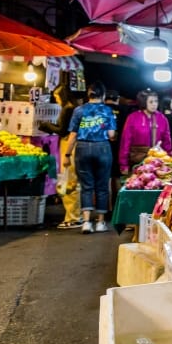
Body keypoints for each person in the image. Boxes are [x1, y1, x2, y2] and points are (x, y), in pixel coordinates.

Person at [63, 81, 116, 234]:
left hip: (83, 148)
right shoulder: (107, 111)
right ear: (103, 95)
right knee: (102, 187)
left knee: (86, 186)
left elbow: (73, 135)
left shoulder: (79, 111)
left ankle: (86, 222)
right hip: (102, 148)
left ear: (89, 94)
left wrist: (67, 155)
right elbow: (112, 135)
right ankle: (100, 222)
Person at [38, 83, 82, 229]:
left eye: (56, 96)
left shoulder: (67, 109)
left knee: (69, 181)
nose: (55, 99)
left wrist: (45, 125)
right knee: (71, 180)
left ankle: (73, 217)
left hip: (69, 144)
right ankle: (74, 215)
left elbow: (62, 130)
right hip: (72, 144)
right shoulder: (73, 108)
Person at [119, 89, 172, 176]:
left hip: (157, 162)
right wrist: (123, 164)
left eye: (156, 101)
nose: (154, 104)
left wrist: (169, 159)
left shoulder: (162, 118)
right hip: (137, 161)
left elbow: (167, 141)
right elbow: (125, 141)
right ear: (143, 102)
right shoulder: (132, 118)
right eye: (151, 102)